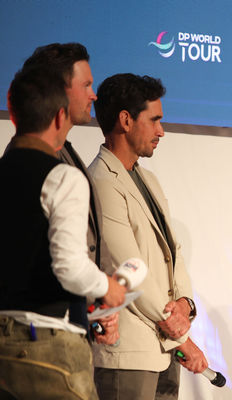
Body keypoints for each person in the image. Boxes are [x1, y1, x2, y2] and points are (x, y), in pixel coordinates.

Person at [0, 67, 126, 399]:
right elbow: (69, 267)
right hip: (46, 348)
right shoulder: (63, 177)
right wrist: (108, 287)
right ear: (60, 115)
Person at [89, 73, 208, 400]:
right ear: (125, 120)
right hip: (127, 352)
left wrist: (185, 304)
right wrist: (180, 334)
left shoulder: (148, 180)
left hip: (164, 348)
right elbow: (127, 265)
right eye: (154, 120)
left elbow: (173, 251)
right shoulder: (101, 181)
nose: (161, 131)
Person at [11, 42, 120, 342]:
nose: (93, 94)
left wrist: (93, 307)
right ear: (57, 92)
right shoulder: (55, 171)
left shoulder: (62, 155)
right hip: (47, 338)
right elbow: (66, 265)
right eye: (86, 85)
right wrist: (106, 287)